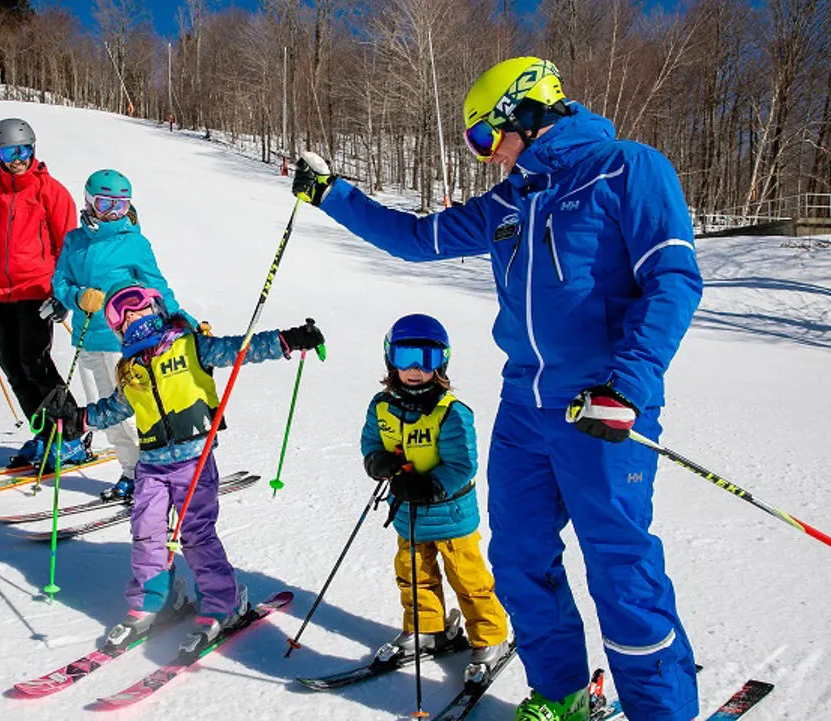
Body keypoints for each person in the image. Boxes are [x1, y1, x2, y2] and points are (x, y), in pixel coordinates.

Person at [292, 57, 702, 721]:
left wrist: (628, 381)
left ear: (526, 112)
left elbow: (674, 279)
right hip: (525, 409)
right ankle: (563, 693)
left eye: (486, 138)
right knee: (516, 557)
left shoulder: (629, 167)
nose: (486, 156)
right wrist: (332, 193)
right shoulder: (512, 199)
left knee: (621, 570)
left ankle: (663, 710)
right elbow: (414, 238)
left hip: (601, 402)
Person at [40, 285, 325, 653]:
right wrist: (79, 418)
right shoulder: (129, 369)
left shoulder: (190, 344)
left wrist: (288, 339)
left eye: (136, 308)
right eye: (119, 317)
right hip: (152, 466)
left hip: (195, 459)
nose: (130, 318)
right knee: (146, 532)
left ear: (156, 308)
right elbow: (116, 409)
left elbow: (241, 349)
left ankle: (224, 603)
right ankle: (154, 602)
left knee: (195, 534)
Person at [361, 314, 510, 684]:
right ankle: (426, 628)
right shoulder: (381, 406)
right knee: (413, 575)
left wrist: (430, 487)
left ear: (440, 362)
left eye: (425, 359)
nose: (414, 369)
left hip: (451, 514)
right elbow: (372, 443)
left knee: (469, 579)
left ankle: (491, 637)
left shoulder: (451, 412)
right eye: (405, 355)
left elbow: (462, 464)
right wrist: (378, 461)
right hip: (408, 514)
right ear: (390, 358)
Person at [51, 169, 198, 502]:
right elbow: (59, 282)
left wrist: (182, 319)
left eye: (121, 204)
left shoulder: (134, 243)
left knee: (132, 411)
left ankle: (152, 475)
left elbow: (158, 288)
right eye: (106, 203)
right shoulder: (74, 242)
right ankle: (131, 473)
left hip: (127, 342)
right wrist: (76, 297)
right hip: (88, 339)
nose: (114, 212)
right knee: (106, 416)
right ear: (89, 202)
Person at [0, 117, 85, 469]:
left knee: (36, 363)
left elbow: (67, 249)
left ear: (33, 148)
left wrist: (62, 295)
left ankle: (71, 436)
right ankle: (45, 433)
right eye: (8, 151)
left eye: (23, 149)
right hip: (0, 293)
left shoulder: (51, 191)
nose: (17, 157)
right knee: (12, 365)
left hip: (37, 292)